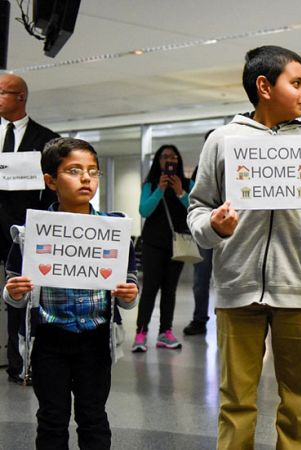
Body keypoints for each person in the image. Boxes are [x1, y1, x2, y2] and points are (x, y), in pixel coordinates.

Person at [187, 45, 301, 450]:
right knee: (235, 402)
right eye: (297, 83)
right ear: (264, 86)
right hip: (237, 288)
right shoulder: (223, 141)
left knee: (300, 403)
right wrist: (214, 226)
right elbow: (197, 210)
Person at [3, 137, 139, 448]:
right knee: (52, 417)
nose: (86, 178)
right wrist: (15, 292)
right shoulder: (29, 234)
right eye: (74, 170)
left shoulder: (114, 231)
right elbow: (14, 293)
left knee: (93, 416)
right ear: (50, 180)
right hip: (50, 339)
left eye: (93, 171)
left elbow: (128, 288)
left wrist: (129, 296)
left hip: (95, 339)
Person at [0, 73, 59, 386]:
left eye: (1, 93)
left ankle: (20, 365)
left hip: (22, 234)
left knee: (20, 299)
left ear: (20, 96)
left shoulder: (45, 139)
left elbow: (52, 192)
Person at [132, 144, 193, 352]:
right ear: (158, 161)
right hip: (152, 243)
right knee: (150, 288)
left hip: (177, 244)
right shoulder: (150, 184)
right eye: (166, 157)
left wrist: (180, 192)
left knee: (170, 290)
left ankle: (165, 332)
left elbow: (194, 210)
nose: (170, 161)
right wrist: (160, 189)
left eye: (174, 157)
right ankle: (141, 332)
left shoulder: (187, 183)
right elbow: (144, 211)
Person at [184, 131, 216, 337]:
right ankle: (199, 319)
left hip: (231, 230)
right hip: (206, 229)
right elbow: (195, 202)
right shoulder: (199, 170)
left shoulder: (233, 164)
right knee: (201, 280)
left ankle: (227, 318)